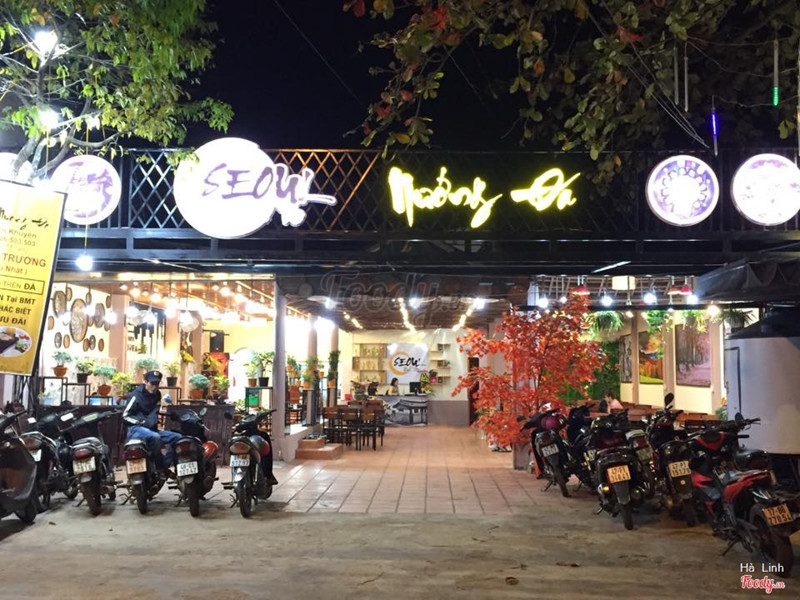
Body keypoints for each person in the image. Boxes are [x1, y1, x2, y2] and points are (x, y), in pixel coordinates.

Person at [122, 370, 181, 477]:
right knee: (155, 437)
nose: (154, 387)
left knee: (177, 438)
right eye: (152, 383)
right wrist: (141, 421)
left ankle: (165, 464)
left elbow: (156, 411)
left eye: (157, 384)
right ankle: (160, 468)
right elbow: (125, 416)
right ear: (145, 382)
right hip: (136, 429)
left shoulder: (157, 395)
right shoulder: (135, 395)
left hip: (152, 430)